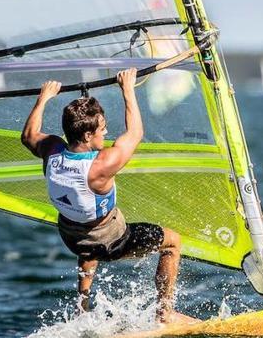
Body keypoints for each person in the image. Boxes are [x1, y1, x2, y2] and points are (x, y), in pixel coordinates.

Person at [21, 68, 196, 323]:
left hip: (71, 237)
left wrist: (44, 97)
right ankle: (165, 312)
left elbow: (28, 136)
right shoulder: (101, 165)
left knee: (84, 230)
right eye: (102, 129)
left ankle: (82, 309)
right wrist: (127, 89)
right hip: (110, 241)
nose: (106, 132)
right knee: (172, 242)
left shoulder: (52, 150)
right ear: (87, 135)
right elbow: (135, 134)